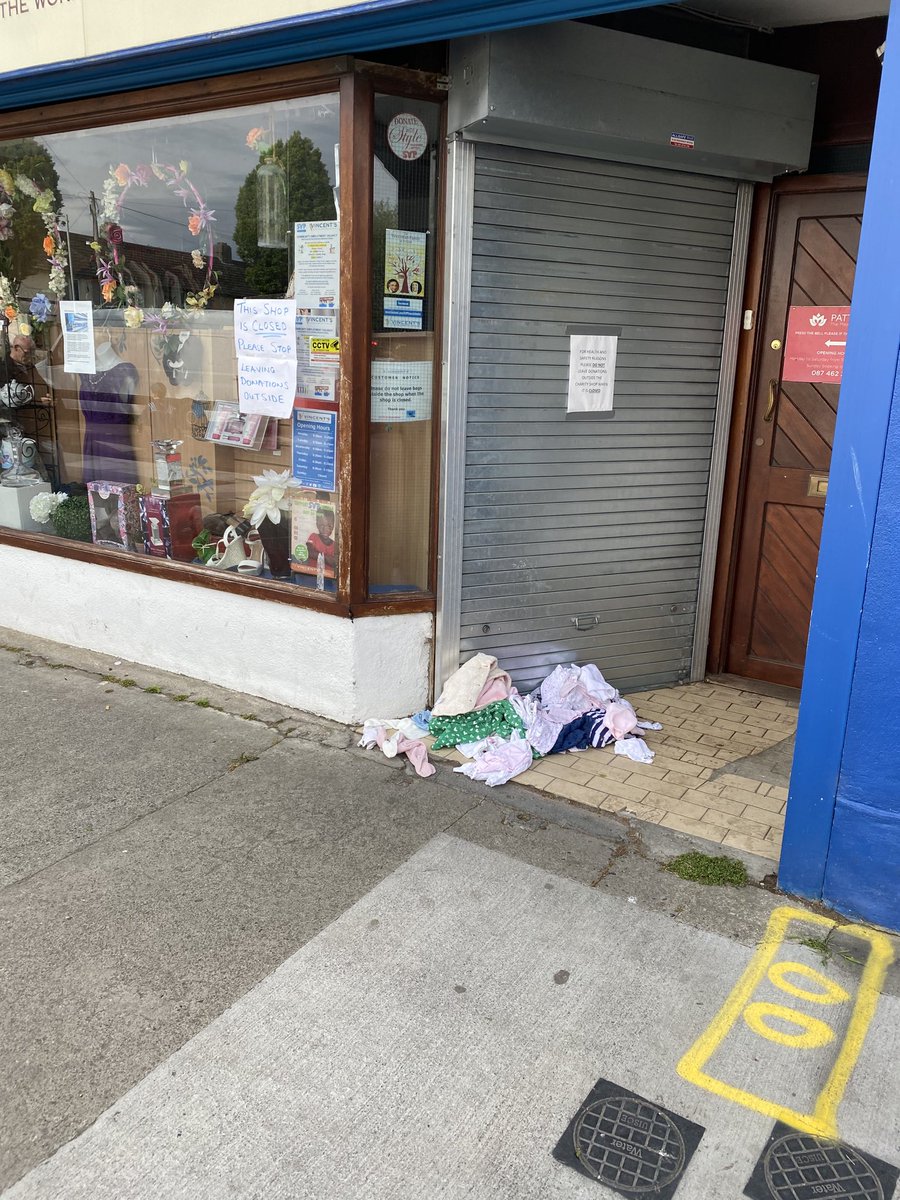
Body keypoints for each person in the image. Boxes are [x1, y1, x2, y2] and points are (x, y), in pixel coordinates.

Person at [305, 507, 336, 574]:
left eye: (329, 526)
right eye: (322, 525)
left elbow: (335, 562)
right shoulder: (313, 536)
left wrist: (318, 555)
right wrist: (327, 558)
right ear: (317, 525)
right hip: (312, 575)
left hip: (329, 578)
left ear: (333, 526)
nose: (326, 529)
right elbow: (310, 553)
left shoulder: (335, 545)